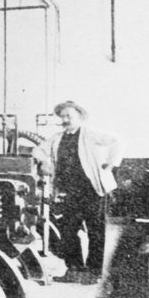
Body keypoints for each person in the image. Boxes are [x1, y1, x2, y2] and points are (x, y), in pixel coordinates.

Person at [33, 101, 123, 281]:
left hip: (93, 190)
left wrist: (111, 163)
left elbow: (117, 140)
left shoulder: (90, 134)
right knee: (68, 231)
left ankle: (93, 273)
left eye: (69, 116)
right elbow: (37, 150)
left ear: (79, 117)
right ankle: (74, 270)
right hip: (69, 191)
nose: (65, 120)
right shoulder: (57, 138)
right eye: (63, 116)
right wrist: (44, 162)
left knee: (95, 232)